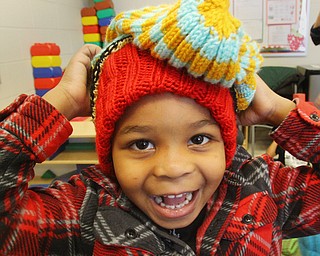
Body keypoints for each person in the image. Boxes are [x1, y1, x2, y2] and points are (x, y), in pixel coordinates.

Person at [1, 0, 320, 255]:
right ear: (110, 151)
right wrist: (63, 100)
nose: (173, 167)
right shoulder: (85, 211)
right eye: (142, 144)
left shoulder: (263, 188)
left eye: (198, 138)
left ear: (226, 140)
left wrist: (278, 109)